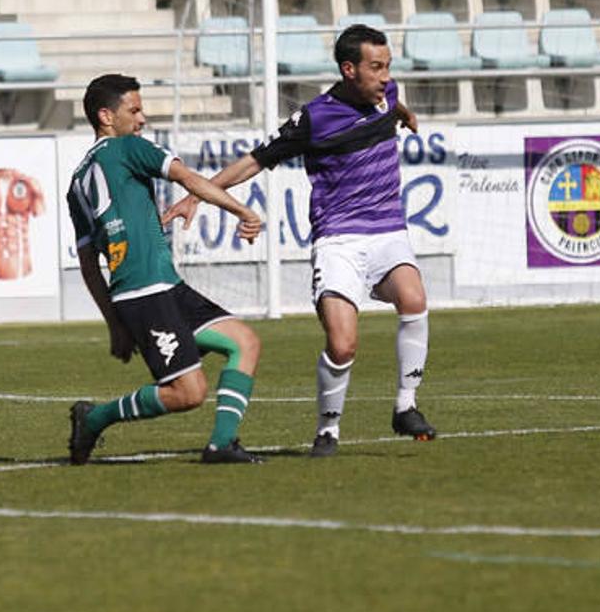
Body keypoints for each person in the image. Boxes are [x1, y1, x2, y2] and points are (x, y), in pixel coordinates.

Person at [164, 23, 436, 457]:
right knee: (343, 343)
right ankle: (328, 429)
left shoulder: (385, 92)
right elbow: (255, 161)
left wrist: (402, 112)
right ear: (349, 70)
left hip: (388, 230)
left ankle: (406, 405)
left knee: (414, 299)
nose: (386, 76)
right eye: (376, 67)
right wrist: (199, 194)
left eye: (389, 67)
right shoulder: (314, 119)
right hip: (339, 240)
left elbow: (391, 101)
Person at [66, 73, 264, 465]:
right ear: (106, 116)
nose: (141, 120)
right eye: (134, 110)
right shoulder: (127, 148)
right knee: (188, 393)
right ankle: (95, 418)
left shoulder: (77, 182)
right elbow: (189, 178)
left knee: (245, 342)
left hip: (160, 288)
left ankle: (221, 445)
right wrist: (241, 210)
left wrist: (114, 323)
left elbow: (90, 265)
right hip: (146, 294)